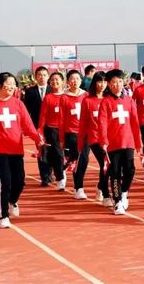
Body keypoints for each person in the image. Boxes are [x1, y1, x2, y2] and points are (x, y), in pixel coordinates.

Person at [0, 72, 43, 228]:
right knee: (5, 182)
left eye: (13, 84)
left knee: (20, 181)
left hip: (16, 149)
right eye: (8, 83)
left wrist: (39, 139)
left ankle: (12, 201)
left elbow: (28, 125)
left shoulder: (18, 104)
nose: (11, 87)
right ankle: (3, 215)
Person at [98, 69, 142, 215]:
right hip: (112, 144)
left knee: (130, 170)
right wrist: (103, 141)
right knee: (115, 173)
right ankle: (117, 203)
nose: (117, 85)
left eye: (119, 81)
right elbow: (102, 123)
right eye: (114, 82)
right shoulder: (105, 102)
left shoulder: (129, 100)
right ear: (109, 85)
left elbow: (135, 122)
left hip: (128, 141)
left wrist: (138, 143)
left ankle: (123, 192)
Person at [78, 71, 112, 206]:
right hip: (95, 139)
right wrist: (80, 143)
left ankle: (100, 186)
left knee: (109, 165)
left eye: (104, 82)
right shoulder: (87, 101)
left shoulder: (110, 99)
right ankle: (106, 194)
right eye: (99, 81)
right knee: (105, 164)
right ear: (94, 83)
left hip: (110, 138)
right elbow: (83, 124)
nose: (102, 85)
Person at [60, 70, 88, 198]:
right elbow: (61, 119)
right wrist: (61, 138)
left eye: (77, 78)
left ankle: (67, 165)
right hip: (71, 132)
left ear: (81, 81)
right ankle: (79, 187)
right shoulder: (64, 97)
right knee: (77, 158)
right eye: (72, 78)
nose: (74, 81)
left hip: (86, 132)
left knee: (85, 159)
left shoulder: (86, 96)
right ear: (68, 82)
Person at [23, 66, 51, 186]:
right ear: (36, 77)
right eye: (39, 75)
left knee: (52, 150)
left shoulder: (52, 89)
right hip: (37, 126)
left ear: (48, 76)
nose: (42, 77)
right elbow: (26, 111)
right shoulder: (30, 91)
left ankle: (51, 173)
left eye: (44, 75)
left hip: (53, 126)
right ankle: (44, 177)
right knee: (42, 150)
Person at [38, 72, 66, 191]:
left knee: (70, 154)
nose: (55, 82)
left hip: (67, 129)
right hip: (52, 130)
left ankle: (63, 171)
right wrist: (40, 131)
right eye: (52, 80)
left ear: (63, 81)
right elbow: (43, 116)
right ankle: (60, 178)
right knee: (57, 154)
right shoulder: (48, 97)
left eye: (57, 80)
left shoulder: (67, 96)